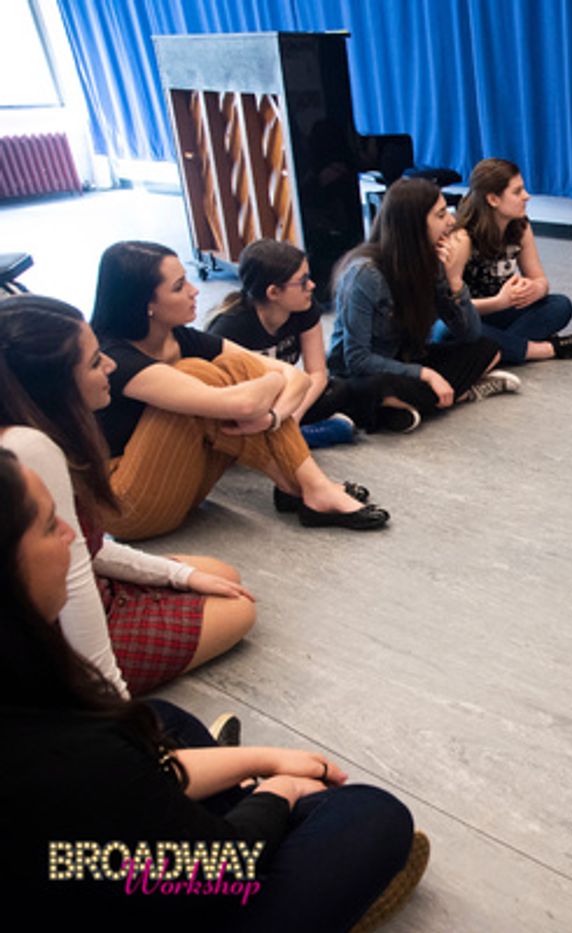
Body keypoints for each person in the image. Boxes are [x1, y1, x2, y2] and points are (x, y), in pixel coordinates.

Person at [0, 449, 429, 929]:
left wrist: (259, 760)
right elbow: (217, 865)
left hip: (72, 860)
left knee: (166, 720)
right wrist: (279, 791)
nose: (69, 534)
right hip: (134, 882)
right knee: (372, 815)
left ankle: (239, 806)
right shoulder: (65, 749)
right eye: (46, 526)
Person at [0, 296, 254, 696]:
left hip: (71, 582)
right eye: (94, 361)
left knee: (220, 575)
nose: (110, 366)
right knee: (239, 607)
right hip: (59, 629)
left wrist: (179, 575)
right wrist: (112, 703)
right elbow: (77, 572)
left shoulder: (29, 431)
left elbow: (85, 550)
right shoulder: (30, 447)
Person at [90, 241, 388, 539]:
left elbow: (299, 379)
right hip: (127, 505)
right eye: (179, 286)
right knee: (201, 373)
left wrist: (272, 415)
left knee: (234, 372)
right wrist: (272, 383)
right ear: (146, 304)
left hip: (181, 483)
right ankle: (307, 486)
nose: (194, 291)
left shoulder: (180, 338)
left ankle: (302, 487)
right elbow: (245, 403)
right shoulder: (114, 358)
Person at [329, 177, 517, 415]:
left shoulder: (432, 262)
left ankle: (406, 406)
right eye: (440, 215)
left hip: (405, 361)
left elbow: (470, 333)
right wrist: (426, 374)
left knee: (487, 347)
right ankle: (445, 395)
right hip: (363, 373)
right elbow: (356, 360)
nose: (451, 221)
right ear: (413, 225)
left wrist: (455, 281)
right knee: (371, 386)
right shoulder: (365, 274)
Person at [209, 238, 423, 435]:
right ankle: (317, 432)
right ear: (273, 292)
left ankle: (303, 429)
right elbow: (219, 395)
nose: (311, 286)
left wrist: (292, 415)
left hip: (286, 395)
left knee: (340, 388)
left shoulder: (306, 310)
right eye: (302, 281)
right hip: (248, 404)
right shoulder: (231, 328)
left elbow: (317, 373)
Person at [452, 158, 572, 363]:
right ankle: (544, 349)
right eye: (517, 192)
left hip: (502, 313)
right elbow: (451, 308)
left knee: (560, 305)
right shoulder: (462, 238)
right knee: (455, 329)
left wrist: (535, 289)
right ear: (493, 199)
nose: (527, 196)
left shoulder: (520, 227)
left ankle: (496, 351)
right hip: (473, 314)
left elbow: (541, 281)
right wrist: (498, 302)